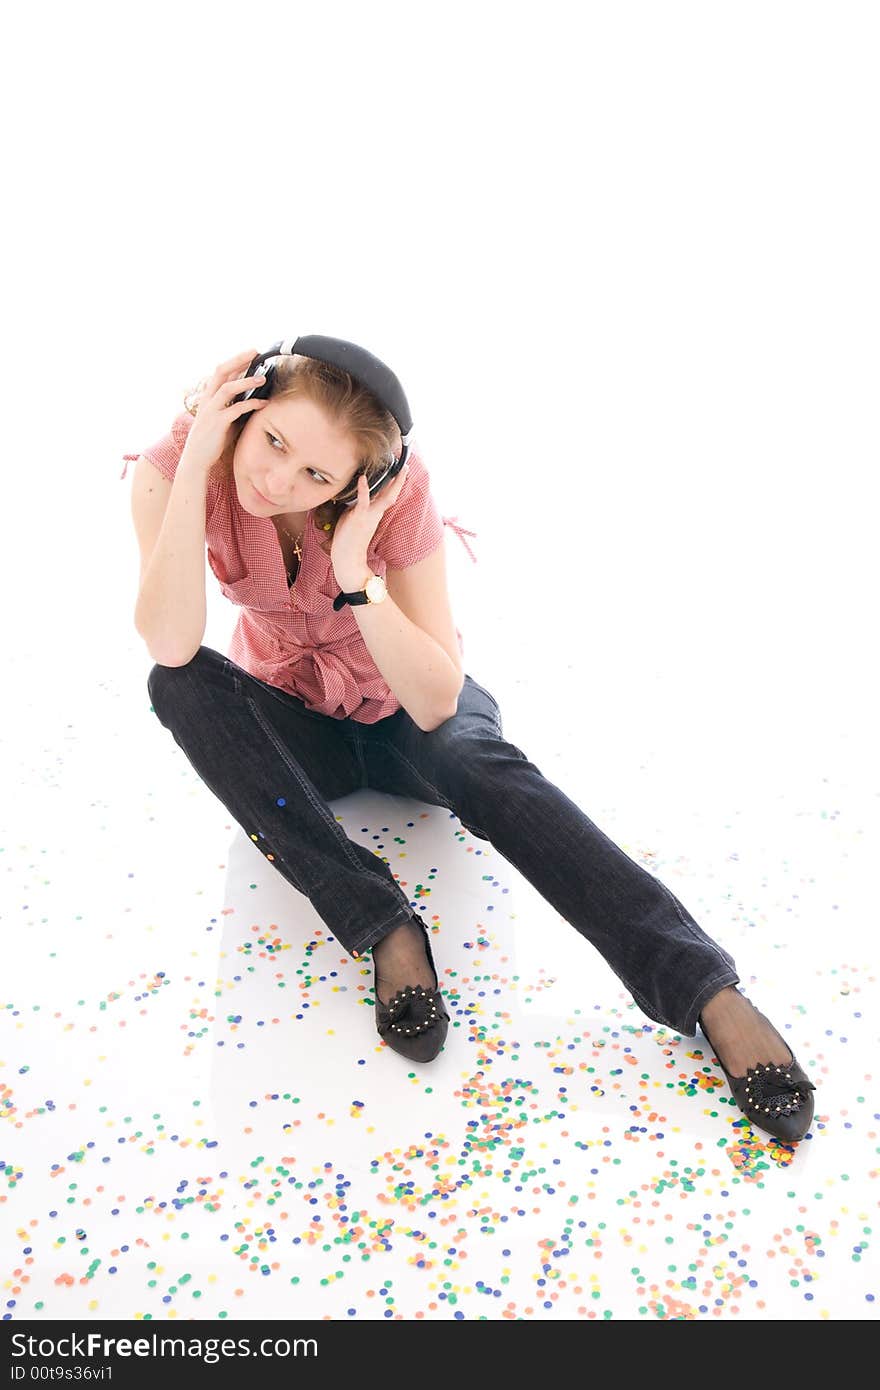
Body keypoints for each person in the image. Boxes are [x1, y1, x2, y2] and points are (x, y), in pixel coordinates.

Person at [123, 343, 816, 1143]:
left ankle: (705, 990)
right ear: (246, 406)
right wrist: (202, 451)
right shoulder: (177, 465)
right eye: (273, 440)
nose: (278, 481)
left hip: (402, 713)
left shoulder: (400, 496)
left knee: (470, 757)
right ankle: (384, 922)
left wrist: (355, 568)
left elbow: (435, 696)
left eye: (317, 475)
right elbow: (171, 644)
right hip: (294, 722)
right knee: (175, 686)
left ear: (356, 483)